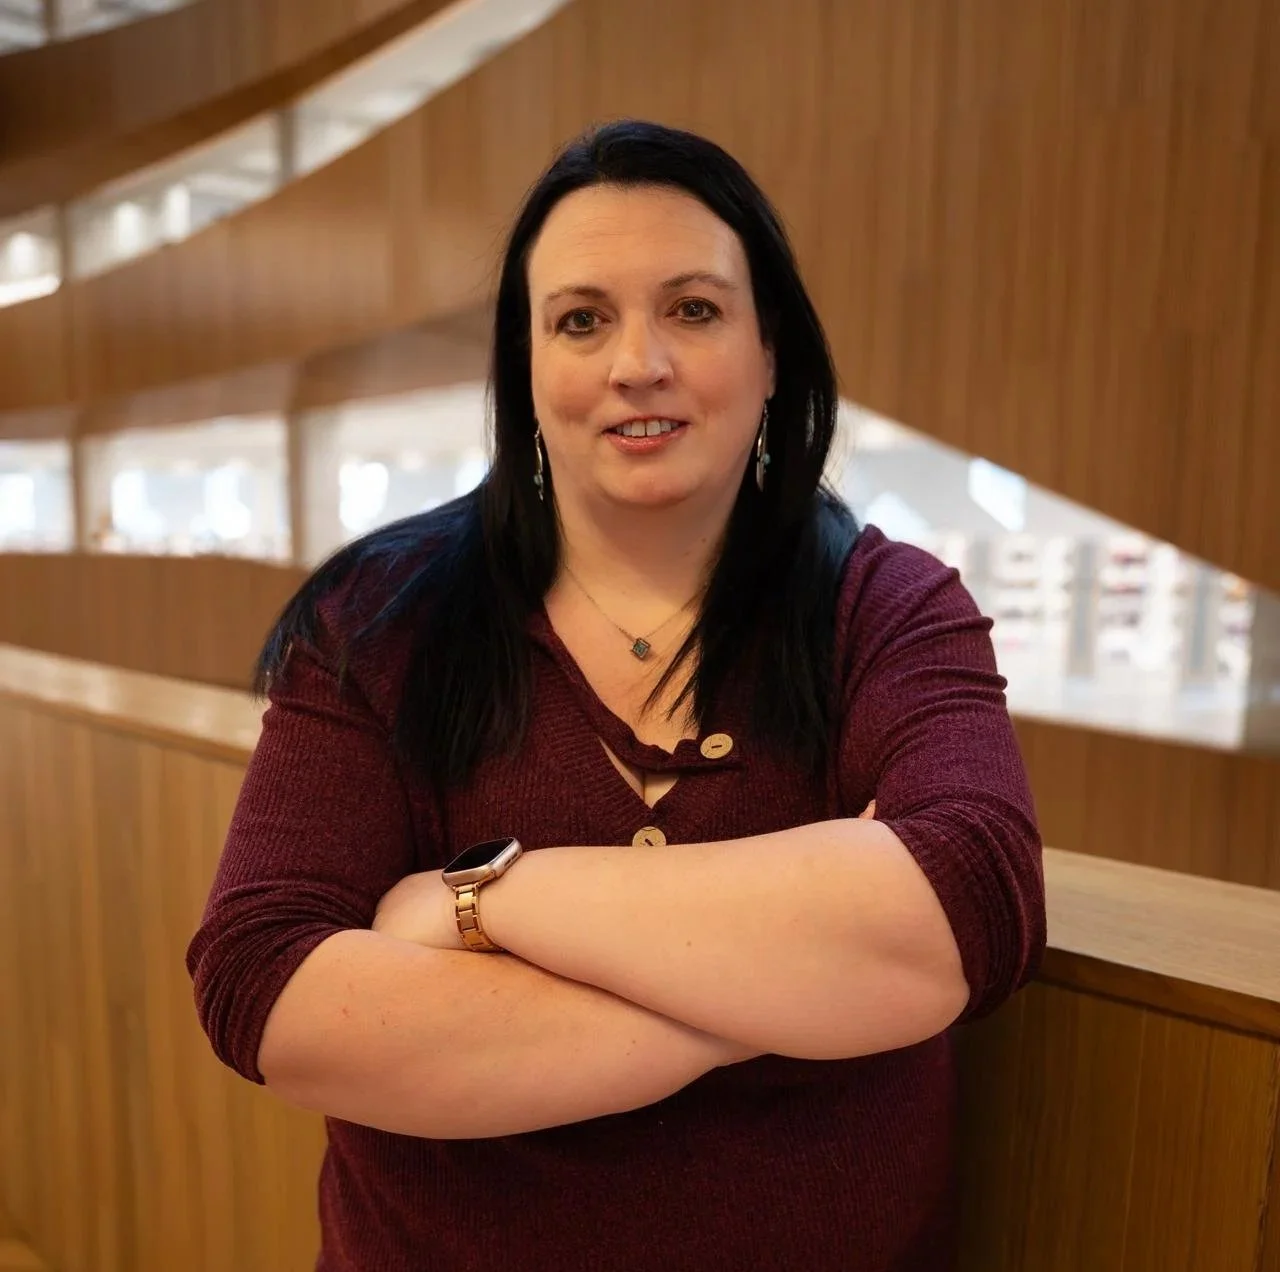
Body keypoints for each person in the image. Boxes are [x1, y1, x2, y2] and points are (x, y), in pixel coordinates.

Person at [187, 119, 1045, 1271]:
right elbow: (265, 985)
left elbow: (969, 905)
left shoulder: (887, 607)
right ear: (527, 369)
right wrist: (792, 987)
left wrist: (477, 905)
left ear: (769, 347)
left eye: (691, 309)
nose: (637, 361)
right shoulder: (378, 621)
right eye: (580, 319)